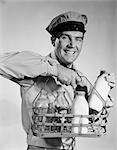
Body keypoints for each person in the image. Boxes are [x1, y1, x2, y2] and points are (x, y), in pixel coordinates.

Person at [0, 11, 115, 150]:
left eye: (78, 39)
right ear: (54, 40)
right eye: (66, 38)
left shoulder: (80, 79)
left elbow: (90, 120)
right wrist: (56, 70)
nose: (73, 45)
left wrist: (103, 90)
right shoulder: (35, 69)